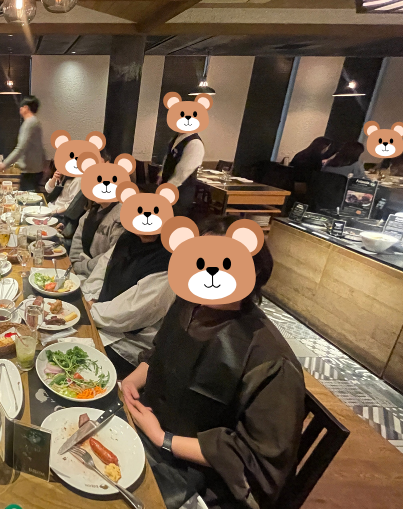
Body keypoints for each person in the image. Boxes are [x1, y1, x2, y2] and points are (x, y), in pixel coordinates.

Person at [121, 216, 305, 509]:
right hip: (148, 429)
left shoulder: (272, 361)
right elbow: (158, 352)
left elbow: (256, 461)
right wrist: (131, 380)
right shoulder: (189, 304)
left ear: (253, 270)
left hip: (204, 480)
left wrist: (163, 438)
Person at [82, 230, 175, 378]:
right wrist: (91, 299)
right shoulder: (127, 238)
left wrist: (90, 310)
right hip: (99, 316)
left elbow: (134, 312)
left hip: (128, 342)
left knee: (76, 357)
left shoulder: (169, 260)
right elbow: (102, 269)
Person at [69, 197, 124, 279]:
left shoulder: (121, 217)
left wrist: (79, 267)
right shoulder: (90, 212)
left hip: (101, 277)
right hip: (79, 272)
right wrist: (75, 264)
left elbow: (111, 257)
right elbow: (76, 245)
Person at [2, 96, 46, 191]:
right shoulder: (35, 122)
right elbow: (40, 147)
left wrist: (5, 164)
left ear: (26, 108)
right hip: (35, 169)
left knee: (26, 197)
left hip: (30, 171)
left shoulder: (29, 123)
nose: (20, 109)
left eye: (21, 107)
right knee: (30, 195)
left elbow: (21, 148)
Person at [159, 132, 205, 217]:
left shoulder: (195, 143)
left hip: (181, 189)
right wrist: (161, 174)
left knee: (175, 216)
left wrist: (168, 187)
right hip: (168, 183)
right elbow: (168, 157)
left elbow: (184, 170)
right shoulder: (176, 137)